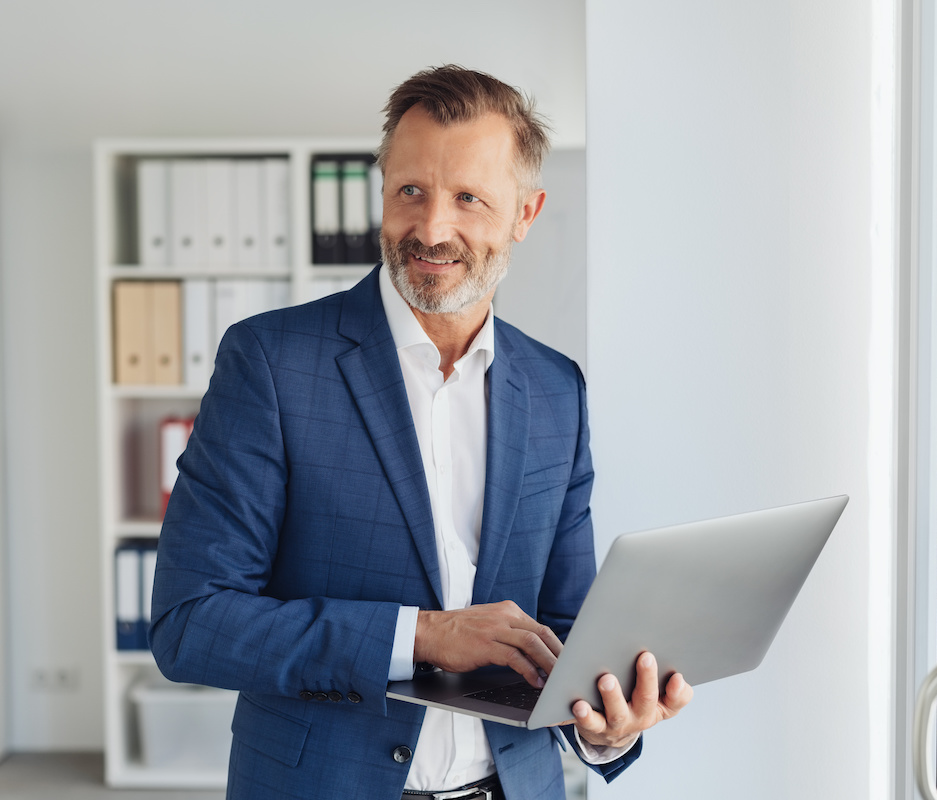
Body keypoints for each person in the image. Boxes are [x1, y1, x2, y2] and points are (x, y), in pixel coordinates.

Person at [149, 65, 692, 800]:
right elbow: (192, 623)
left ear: (524, 214)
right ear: (383, 194)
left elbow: (566, 631)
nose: (432, 229)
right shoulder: (272, 363)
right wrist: (421, 636)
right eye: (411, 191)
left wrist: (606, 726)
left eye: (469, 198)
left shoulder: (556, 389)